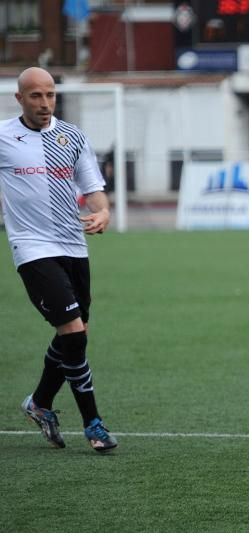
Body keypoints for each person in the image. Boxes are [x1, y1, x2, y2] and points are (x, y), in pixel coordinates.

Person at [2, 67, 119, 452]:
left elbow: (93, 190)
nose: (45, 103)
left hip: (73, 246)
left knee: (75, 333)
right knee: (73, 331)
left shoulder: (72, 137)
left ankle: (39, 403)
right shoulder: (4, 137)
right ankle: (94, 425)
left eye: (50, 95)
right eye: (36, 96)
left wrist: (103, 212)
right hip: (33, 248)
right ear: (20, 99)